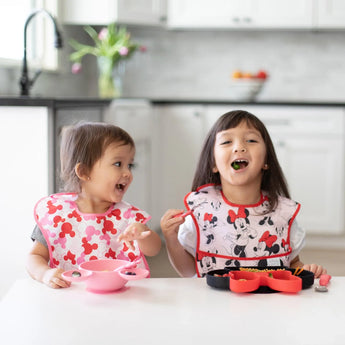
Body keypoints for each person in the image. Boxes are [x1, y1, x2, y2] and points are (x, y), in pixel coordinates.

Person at [161, 110, 326, 278]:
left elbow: (293, 265)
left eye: (251, 140)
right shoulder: (201, 210)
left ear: (266, 161)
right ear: (213, 163)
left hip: (269, 302)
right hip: (214, 303)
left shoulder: (282, 213)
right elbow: (189, 272)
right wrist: (171, 239)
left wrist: (306, 271)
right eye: (226, 142)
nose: (239, 147)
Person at [27, 122, 161, 288]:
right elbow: (34, 257)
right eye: (118, 164)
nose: (128, 173)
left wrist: (143, 233)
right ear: (84, 172)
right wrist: (45, 274)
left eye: (130, 165)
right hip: (70, 298)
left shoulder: (127, 216)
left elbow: (154, 249)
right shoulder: (56, 214)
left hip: (120, 299)